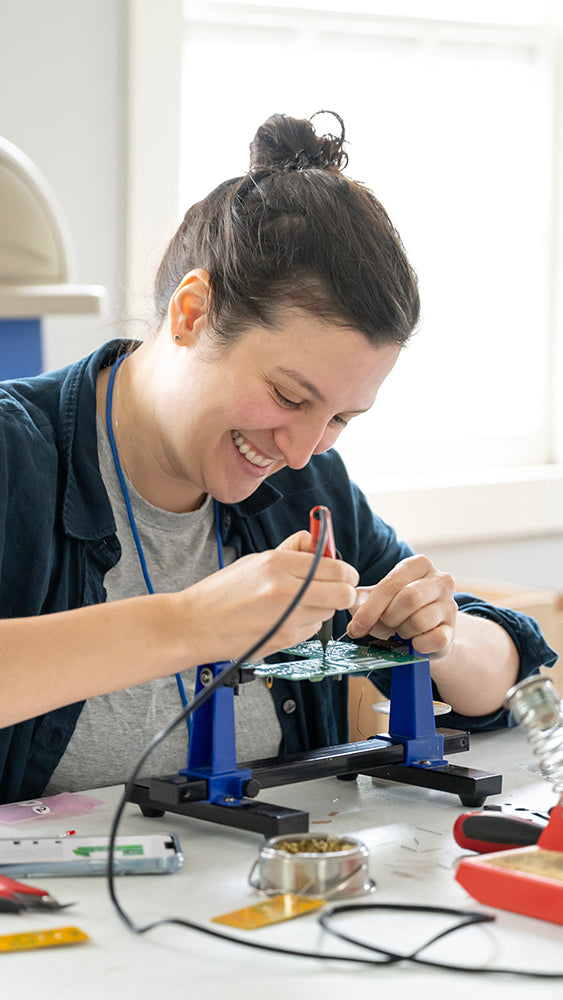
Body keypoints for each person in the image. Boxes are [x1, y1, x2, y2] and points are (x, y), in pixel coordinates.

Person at [0, 112, 556, 804]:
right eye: (288, 396)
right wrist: (190, 624)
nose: (299, 452)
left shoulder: (309, 486)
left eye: (340, 419)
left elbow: (508, 676)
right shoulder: (16, 455)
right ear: (192, 314)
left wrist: (443, 636)